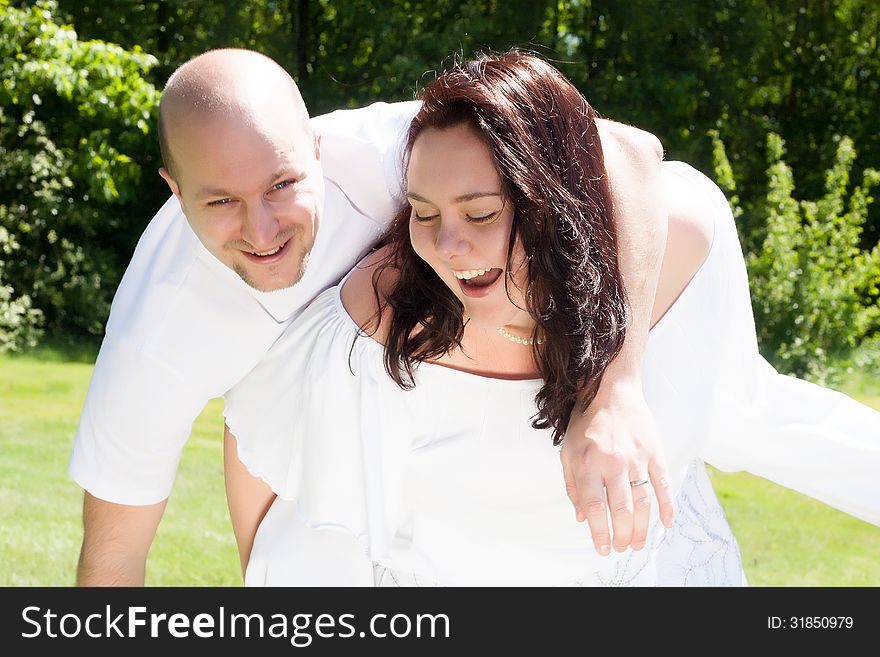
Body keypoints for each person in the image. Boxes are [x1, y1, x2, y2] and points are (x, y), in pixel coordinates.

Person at [223, 51, 880, 586]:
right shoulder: (387, 310)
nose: (448, 246)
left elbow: (636, 151)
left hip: (637, 574)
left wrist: (613, 385)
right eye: (424, 213)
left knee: (741, 415)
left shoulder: (677, 240)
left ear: (553, 197)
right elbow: (258, 439)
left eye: (480, 212)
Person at [69, 48, 675, 585]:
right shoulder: (156, 338)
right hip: (304, 482)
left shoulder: (390, 153)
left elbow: (629, 150)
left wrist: (614, 390)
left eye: (282, 185)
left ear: (316, 148)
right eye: (222, 201)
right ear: (174, 191)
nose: (262, 231)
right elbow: (113, 559)